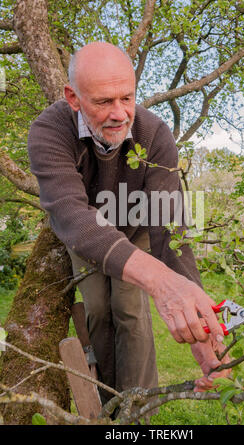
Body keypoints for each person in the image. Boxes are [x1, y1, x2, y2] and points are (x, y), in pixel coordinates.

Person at [28, 41, 230, 406]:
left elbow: (170, 227)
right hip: (87, 234)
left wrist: (197, 321)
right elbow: (71, 215)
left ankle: (138, 410)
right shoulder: (49, 131)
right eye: (104, 102)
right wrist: (161, 281)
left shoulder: (154, 134)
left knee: (129, 307)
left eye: (127, 98)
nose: (120, 113)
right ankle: (110, 400)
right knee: (99, 308)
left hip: (135, 233)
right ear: (73, 97)